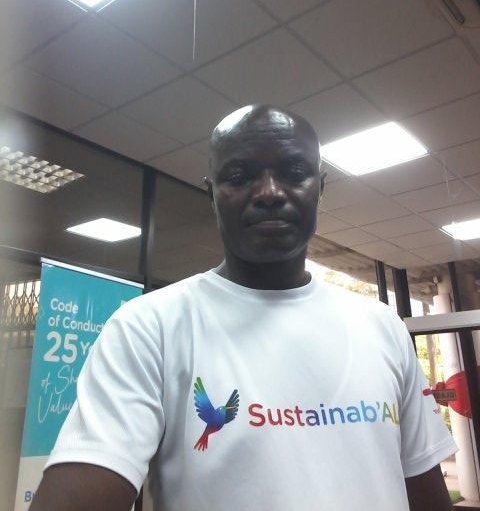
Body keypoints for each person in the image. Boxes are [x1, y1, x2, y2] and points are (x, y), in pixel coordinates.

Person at [31, 105, 457, 511]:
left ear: (320, 188)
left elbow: (426, 495)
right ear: (212, 193)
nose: (270, 192)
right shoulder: (148, 328)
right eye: (239, 176)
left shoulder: (382, 326)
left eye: (294, 173)